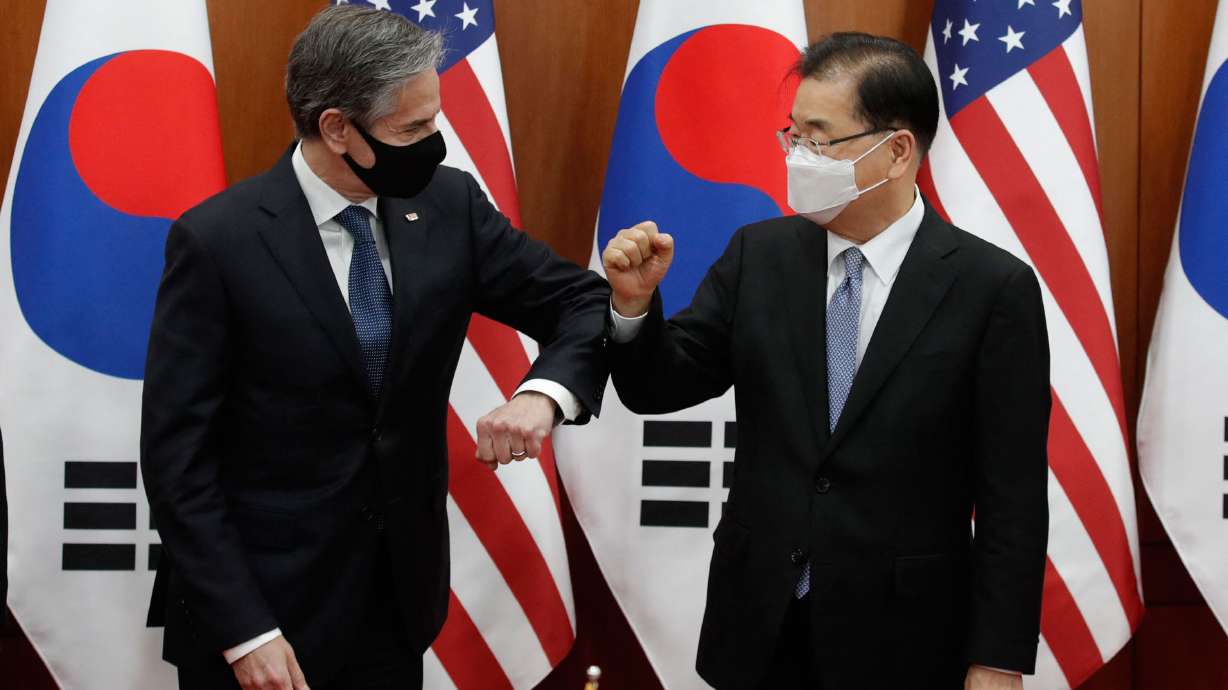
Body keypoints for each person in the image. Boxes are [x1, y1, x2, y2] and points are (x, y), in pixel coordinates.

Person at [140, 6, 609, 690]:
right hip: (259, 620)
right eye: (412, 129)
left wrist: (543, 394)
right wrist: (245, 633)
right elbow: (178, 460)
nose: (436, 143)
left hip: (394, 607)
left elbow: (580, 301)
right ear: (337, 128)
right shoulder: (218, 242)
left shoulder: (447, 205)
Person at [602, 33, 1050, 690]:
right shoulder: (760, 255)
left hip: (906, 640)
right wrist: (634, 309)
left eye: (819, 139)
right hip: (758, 626)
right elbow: (657, 387)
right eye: (793, 136)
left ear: (897, 151)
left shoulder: (991, 288)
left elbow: (1014, 498)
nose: (798, 157)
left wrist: (997, 659)